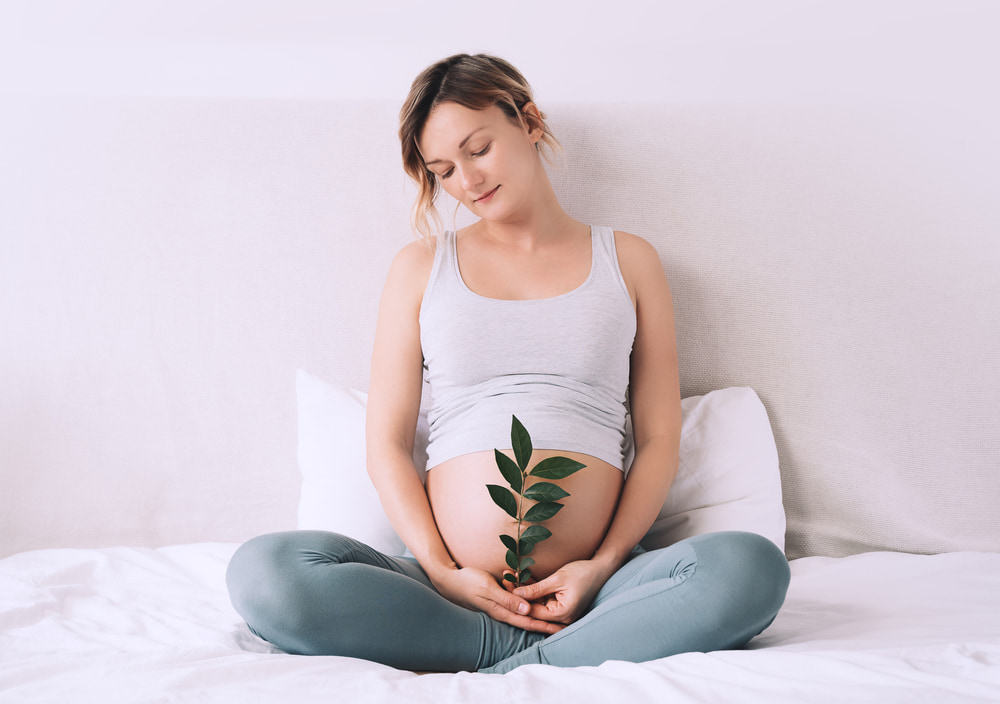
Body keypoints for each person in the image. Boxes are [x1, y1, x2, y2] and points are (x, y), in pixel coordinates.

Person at [226, 53, 790, 674]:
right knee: (266, 573)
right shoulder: (420, 268)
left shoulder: (629, 260)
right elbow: (386, 444)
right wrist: (442, 572)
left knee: (750, 568)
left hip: (601, 593)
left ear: (529, 121)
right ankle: (541, 656)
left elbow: (658, 440)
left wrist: (601, 566)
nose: (466, 180)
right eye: (443, 170)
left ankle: (514, 657)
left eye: (478, 149)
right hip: (449, 596)